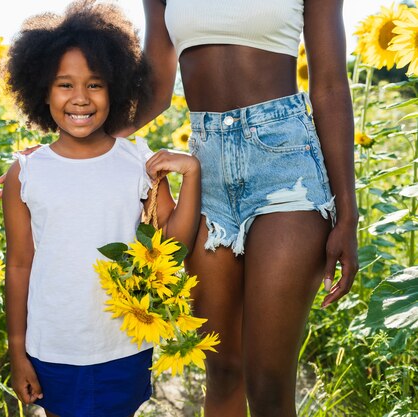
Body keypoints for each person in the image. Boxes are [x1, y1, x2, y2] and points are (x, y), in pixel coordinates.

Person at [129, 1, 359, 416]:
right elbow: (156, 89)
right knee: (221, 369)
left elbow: (329, 86)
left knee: (268, 384)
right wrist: (69, 147)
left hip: (286, 167)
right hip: (207, 171)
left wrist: (348, 214)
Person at [1, 2, 201, 416]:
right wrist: (17, 352)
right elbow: (19, 264)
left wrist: (192, 175)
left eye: (95, 84)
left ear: (117, 86)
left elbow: (174, 246)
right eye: (64, 85)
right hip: (53, 344)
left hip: (123, 343)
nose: (80, 98)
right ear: (41, 88)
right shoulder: (26, 172)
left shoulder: (138, 162)